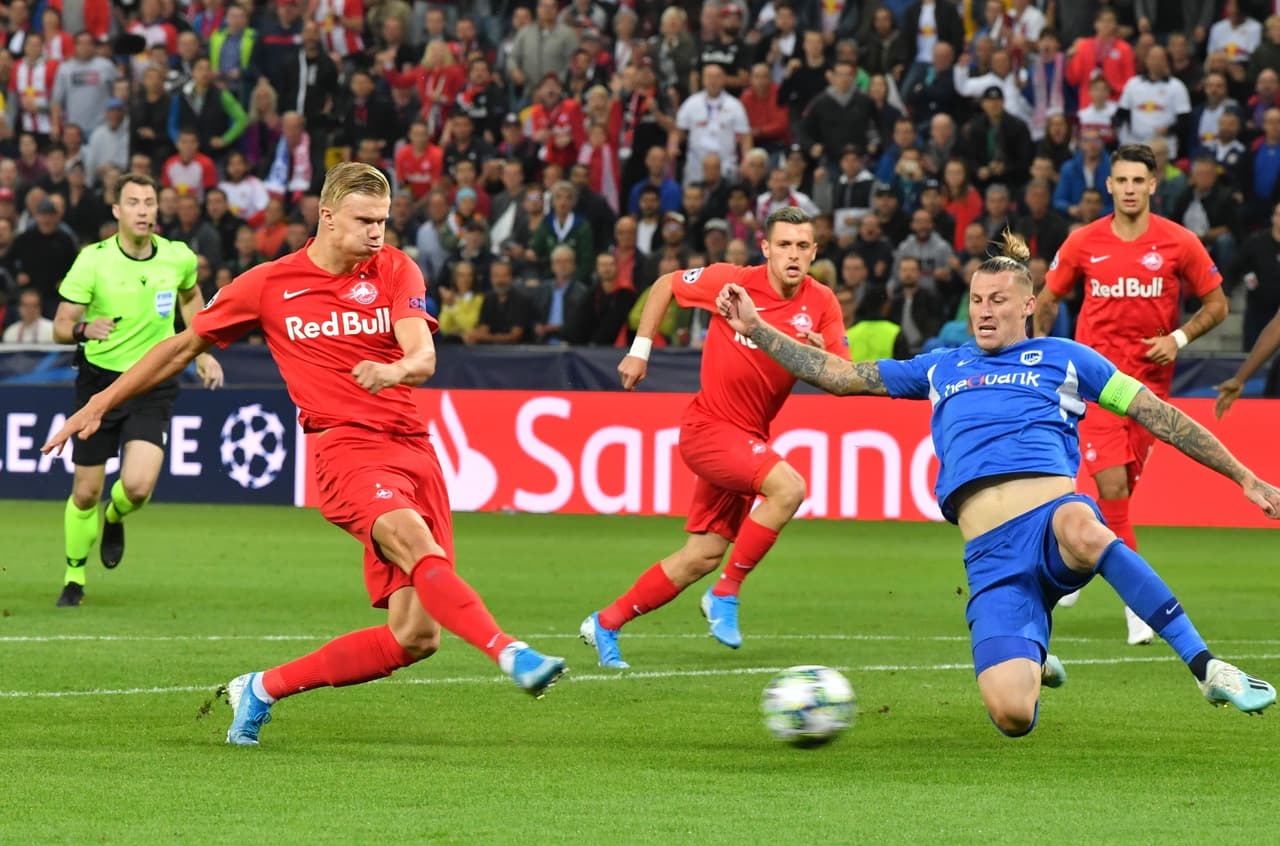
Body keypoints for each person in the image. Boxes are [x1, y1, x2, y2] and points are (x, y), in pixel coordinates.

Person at [44, 163, 566, 746]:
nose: (377, 233)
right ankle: (509, 651)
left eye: (384, 221)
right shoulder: (270, 284)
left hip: (414, 451)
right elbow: (180, 347)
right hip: (343, 450)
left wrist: (395, 367)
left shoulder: (396, 268)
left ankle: (261, 688)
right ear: (326, 217)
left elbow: (423, 357)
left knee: (415, 638)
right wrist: (98, 404)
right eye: (365, 220)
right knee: (415, 544)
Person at [715, 230, 1278, 736]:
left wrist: (1244, 477)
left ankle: (1206, 666)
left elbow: (1159, 414)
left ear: (1029, 305)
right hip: (991, 559)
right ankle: (1033, 654)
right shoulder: (943, 366)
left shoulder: (1067, 359)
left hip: (1053, 524)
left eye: (998, 301)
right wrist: (758, 329)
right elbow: (839, 376)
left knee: (1085, 528)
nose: (983, 312)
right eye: (977, 301)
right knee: (1012, 717)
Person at [578, 207, 848, 669]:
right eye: (784, 244)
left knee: (700, 555)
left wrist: (818, 356)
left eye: (803, 246)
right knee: (789, 488)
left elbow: (843, 376)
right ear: (765, 248)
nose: (793, 254)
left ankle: (605, 623)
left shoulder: (821, 302)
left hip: (748, 437)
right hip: (708, 429)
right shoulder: (730, 281)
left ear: (815, 251)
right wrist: (640, 352)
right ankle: (726, 594)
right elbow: (665, 284)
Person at [1035, 144, 1229, 645]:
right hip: (1096, 385)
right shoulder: (1083, 242)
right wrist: (1040, 353)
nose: (1128, 189)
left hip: (1148, 391)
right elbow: (1048, 297)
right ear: (1109, 186)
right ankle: (1138, 603)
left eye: (1137, 181)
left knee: (1117, 492)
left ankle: (1071, 557)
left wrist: (1178, 339)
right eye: (1120, 181)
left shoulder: (1179, 242)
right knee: (1114, 487)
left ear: (1152, 185)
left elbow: (1218, 303)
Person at [48, 172, 225, 608]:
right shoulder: (93, 260)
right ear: (117, 210)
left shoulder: (178, 257)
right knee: (86, 491)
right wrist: (85, 328)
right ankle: (74, 577)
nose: (144, 210)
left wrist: (202, 353)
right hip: (100, 385)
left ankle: (115, 514)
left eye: (149, 202)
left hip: (153, 380)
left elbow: (191, 299)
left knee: (139, 486)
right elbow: (59, 327)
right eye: (134, 203)